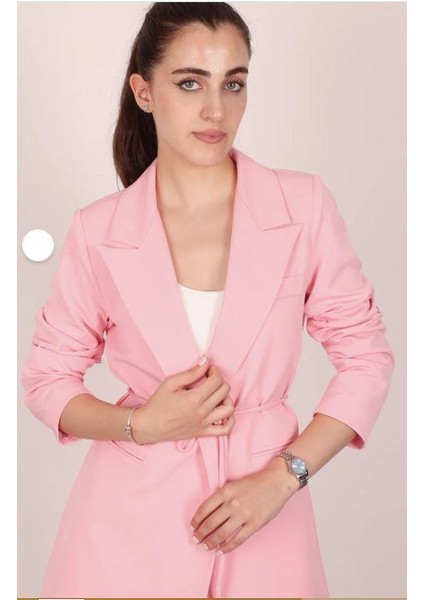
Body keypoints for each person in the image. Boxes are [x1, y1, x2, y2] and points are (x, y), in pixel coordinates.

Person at [21, 2, 395, 598]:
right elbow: (47, 381)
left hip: (263, 524)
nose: (216, 110)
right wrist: (139, 425)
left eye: (234, 83)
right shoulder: (98, 230)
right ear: (144, 92)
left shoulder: (303, 207)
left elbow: (366, 358)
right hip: (124, 535)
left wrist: (284, 476)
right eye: (190, 83)